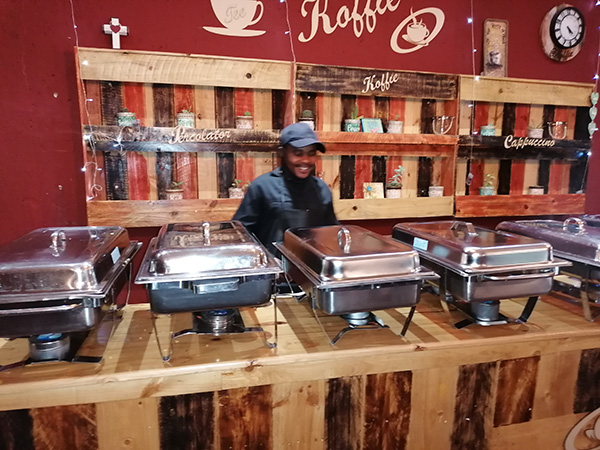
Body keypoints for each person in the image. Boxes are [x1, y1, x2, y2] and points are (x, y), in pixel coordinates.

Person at [233, 122, 338, 256]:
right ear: (282, 153)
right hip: (273, 266)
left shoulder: (321, 189)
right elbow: (240, 233)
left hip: (310, 266)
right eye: (298, 153)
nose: (305, 160)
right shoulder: (262, 187)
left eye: (311, 154)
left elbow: (331, 233)